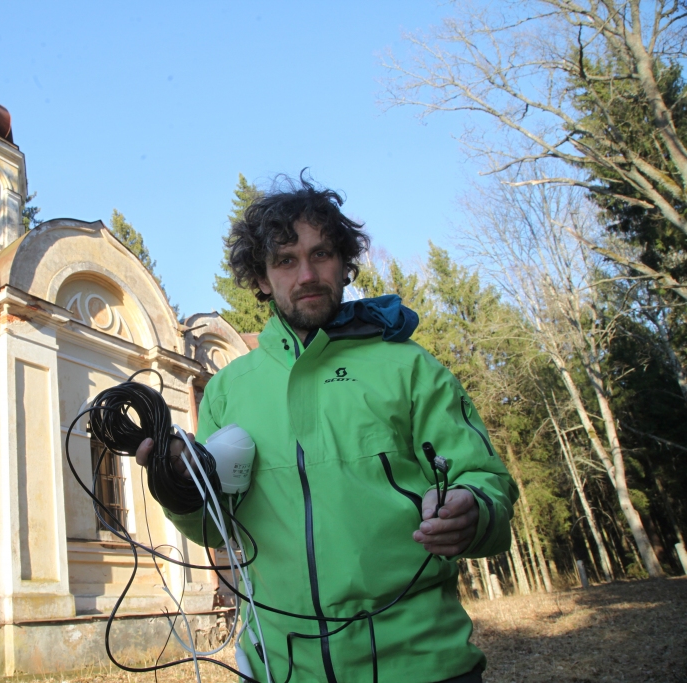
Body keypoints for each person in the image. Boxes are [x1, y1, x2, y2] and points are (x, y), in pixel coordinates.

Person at [134, 177, 518, 683]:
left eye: (322, 254)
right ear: (262, 278)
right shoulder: (227, 389)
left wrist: (473, 508)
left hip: (422, 665)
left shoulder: (408, 367)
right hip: (281, 670)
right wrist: (178, 489)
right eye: (285, 260)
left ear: (344, 263)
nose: (308, 274)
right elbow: (218, 529)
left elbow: (486, 481)